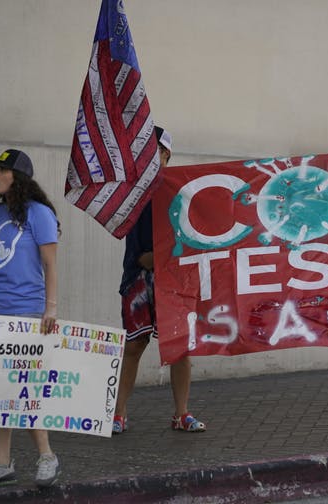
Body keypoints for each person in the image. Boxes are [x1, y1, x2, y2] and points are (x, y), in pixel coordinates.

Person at [0, 148, 62, 487]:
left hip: (27, 313)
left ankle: (47, 456)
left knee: (26, 389)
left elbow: (50, 264)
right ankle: (2, 462)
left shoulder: (39, 214)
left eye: (1, 171)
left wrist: (51, 309)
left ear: (17, 177)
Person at [113, 126, 206, 434]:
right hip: (139, 274)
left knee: (179, 347)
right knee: (135, 343)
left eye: (150, 149)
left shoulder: (182, 189)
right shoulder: (134, 191)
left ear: (165, 153)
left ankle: (182, 414)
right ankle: (118, 413)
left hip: (175, 279)